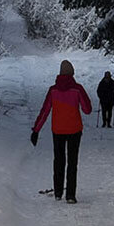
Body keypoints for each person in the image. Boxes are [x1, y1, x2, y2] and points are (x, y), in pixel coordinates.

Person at [31, 59, 92, 203]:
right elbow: (87, 110)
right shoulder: (77, 89)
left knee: (58, 160)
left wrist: (36, 130)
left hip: (57, 130)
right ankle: (70, 195)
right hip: (74, 130)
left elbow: (45, 111)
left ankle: (58, 192)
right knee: (72, 162)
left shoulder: (53, 90)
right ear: (72, 73)